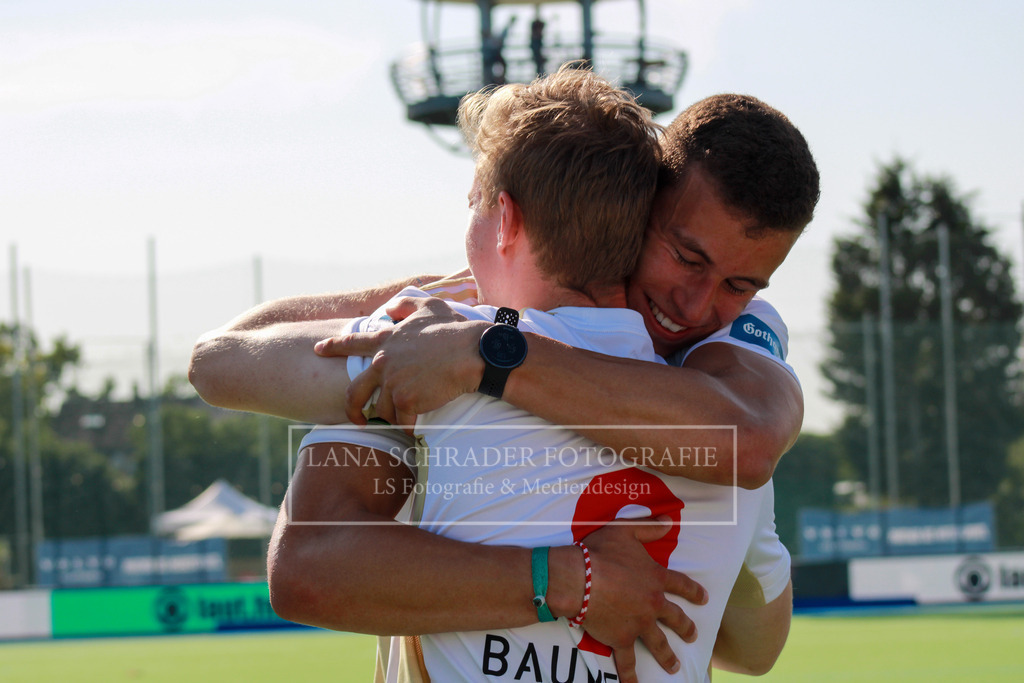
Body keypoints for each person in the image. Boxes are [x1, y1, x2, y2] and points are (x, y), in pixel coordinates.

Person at [190, 76, 818, 681]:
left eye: (741, 286)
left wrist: (481, 346)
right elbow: (755, 647)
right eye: (686, 257)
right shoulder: (714, 398)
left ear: (506, 220)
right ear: (640, 213)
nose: (696, 306)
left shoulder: (441, 349)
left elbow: (220, 361)